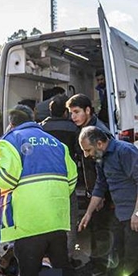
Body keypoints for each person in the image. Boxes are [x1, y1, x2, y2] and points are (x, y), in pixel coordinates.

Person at [0, 105, 97, 276]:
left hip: (30, 222)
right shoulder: (55, 143)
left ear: (11, 123)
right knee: (65, 271)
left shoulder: (9, 141)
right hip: (56, 220)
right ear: (33, 120)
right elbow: (72, 179)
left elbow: (6, 179)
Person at [78, 125, 138, 276]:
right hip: (121, 211)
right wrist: (88, 213)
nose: (87, 155)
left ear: (99, 143)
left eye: (88, 150)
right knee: (115, 249)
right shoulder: (101, 156)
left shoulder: (125, 151)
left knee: (131, 254)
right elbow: (100, 185)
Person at [66, 94, 116, 276]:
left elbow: (104, 167)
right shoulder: (85, 129)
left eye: (76, 112)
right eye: (71, 113)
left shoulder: (98, 132)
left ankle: (100, 268)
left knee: (101, 228)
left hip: (102, 190)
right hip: (94, 188)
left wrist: (100, 194)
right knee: (96, 226)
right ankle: (97, 264)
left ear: (88, 110)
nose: (73, 117)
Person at [41, 93, 83, 259]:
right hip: (66, 180)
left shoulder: (41, 128)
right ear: (66, 112)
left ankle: (47, 255)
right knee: (70, 219)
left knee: (48, 217)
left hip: (44, 181)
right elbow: (80, 152)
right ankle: (68, 256)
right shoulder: (73, 128)